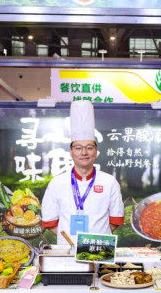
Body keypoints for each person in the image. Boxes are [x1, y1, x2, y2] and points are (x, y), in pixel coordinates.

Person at [41, 101, 124, 239]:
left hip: (98, 249)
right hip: (67, 249)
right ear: (71, 152)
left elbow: (116, 220)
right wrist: (71, 241)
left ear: (96, 151)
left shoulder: (109, 182)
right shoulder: (57, 183)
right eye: (78, 148)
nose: (84, 152)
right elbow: (49, 221)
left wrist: (95, 239)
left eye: (89, 148)